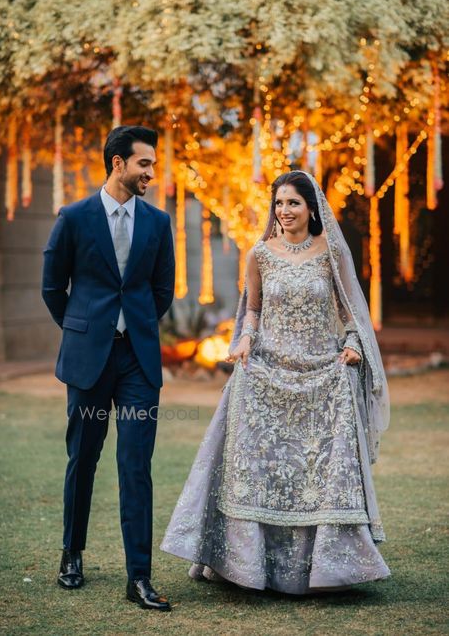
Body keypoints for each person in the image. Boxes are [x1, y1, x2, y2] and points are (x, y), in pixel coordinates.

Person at [161, 170, 391, 594]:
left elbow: (348, 312)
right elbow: (253, 308)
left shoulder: (331, 253)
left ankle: (322, 568)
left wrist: (354, 344)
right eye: (279, 203)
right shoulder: (260, 254)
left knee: (313, 474)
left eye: (293, 203)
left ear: (312, 209)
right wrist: (245, 339)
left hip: (323, 374)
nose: (284, 212)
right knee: (262, 469)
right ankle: (246, 565)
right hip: (266, 372)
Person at [42, 125, 175, 611]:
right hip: (88, 360)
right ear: (117, 163)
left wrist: (130, 329)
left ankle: (138, 576)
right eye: (144, 163)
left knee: (135, 465)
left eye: (153, 165)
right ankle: (71, 554)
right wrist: (83, 329)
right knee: (84, 459)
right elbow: (53, 286)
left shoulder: (159, 223)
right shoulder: (74, 217)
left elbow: (162, 291)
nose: (151, 173)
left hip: (138, 361)